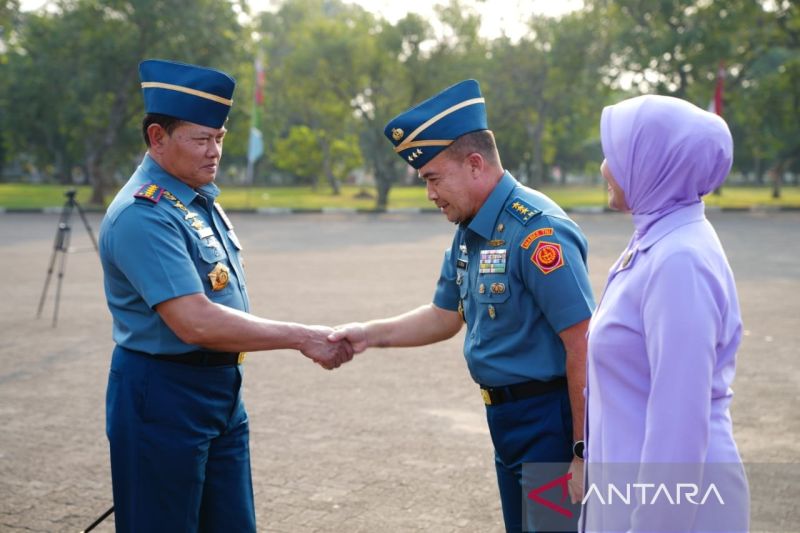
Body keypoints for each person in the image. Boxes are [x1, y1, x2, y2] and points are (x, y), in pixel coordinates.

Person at [329, 79, 595, 532]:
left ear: (475, 164)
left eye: (434, 178)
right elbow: (443, 316)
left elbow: (583, 343)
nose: (430, 193)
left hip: (548, 426)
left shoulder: (536, 232)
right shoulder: (472, 228)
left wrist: (581, 452)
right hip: (507, 422)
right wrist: (367, 335)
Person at [98, 59, 353, 533]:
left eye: (219, 137)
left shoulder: (195, 198)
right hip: (164, 395)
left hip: (219, 395)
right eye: (201, 139)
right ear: (157, 138)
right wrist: (301, 336)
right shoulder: (144, 214)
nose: (214, 150)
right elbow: (196, 322)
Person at [583, 94, 749, 532]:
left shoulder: (679, 260)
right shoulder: (657, 239)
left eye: (617, 153)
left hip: (673, 511)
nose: (604, 167)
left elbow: (679, 424)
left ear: (653, 162)